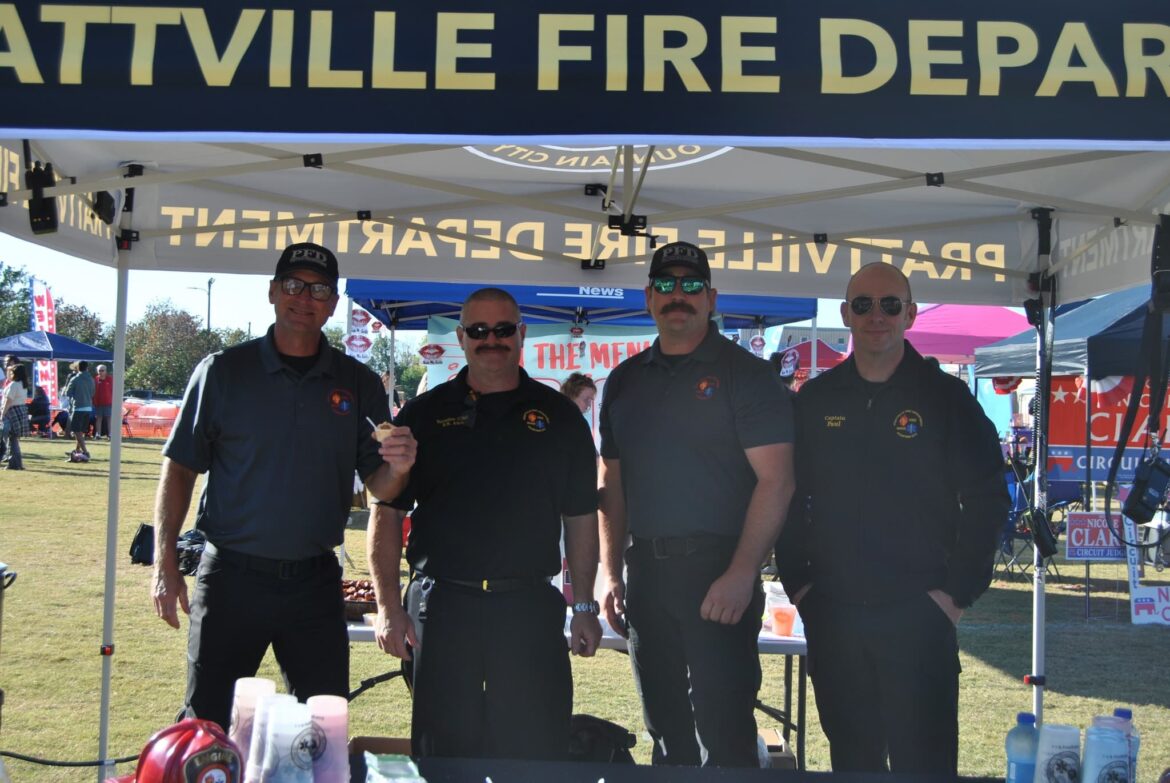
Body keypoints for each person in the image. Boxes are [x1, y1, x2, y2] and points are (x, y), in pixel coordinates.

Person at [150, 242, 417, 732]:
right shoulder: (223, 371)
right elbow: (180, 468)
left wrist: (399, 467)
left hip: (314, 583)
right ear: (273, 292)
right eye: (293, 285)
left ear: (333, 304)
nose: (304, 298)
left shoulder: (357, 382)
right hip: (231, 577)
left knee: (321, 729)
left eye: (319, 290)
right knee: (207, 726)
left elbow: (380, 483)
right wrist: (165, 562)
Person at [774, 263, 1009, 775]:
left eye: (889, 305)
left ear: (910, 314)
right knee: (853, 765)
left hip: (919, 614)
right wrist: (801, 585)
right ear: (845, 314)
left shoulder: (945, 398)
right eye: (863, 305)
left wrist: (955, 595)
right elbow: (788, 493)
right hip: (835, 614)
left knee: (924, 767)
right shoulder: (816, 400)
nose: (875, 315)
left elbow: (989, 497)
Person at [368, 287, 601, 760]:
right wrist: (389, 607)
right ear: (461, 337)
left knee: (535, 756)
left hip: (528, 608)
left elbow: (580, 518)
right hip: (443, 608)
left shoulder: (560, 416)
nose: (490, 339)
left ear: (522, 333)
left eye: (502, 329)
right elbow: (387, 510)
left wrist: (584, 606)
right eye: (478, 330)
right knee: (445, 758)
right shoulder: (425, 414)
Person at [598, 241, 795, 767]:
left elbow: (777, 481)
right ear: (648, 298)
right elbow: (612, 484)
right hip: (647, 576)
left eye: (690, 285)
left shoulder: (746, 375)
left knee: (724, 737)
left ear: (711, 298)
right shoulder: (624, 380)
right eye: (666, 285)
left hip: (719, 572)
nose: (677, 295)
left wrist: (742, 572)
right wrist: (611, 573)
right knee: (666, 736)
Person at [62, 361, 95, 458]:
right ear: (87, 368)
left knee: (76, 431)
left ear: (78, 368)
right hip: (88, 407)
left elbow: (68, 393)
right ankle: (77, 450)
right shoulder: (91, 379)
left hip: (78, 407)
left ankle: (85, 452)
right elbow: (93, 392)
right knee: (81, 431)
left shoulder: (75, 379)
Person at [1, 363, 30, 470]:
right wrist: (9, 369)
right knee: (13, 439)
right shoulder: (22, 384)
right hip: (19, 411)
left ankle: (14, 463)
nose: (10, 374)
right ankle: (16, 463)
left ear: (16, 373)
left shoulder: (14, 385)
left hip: (12, 412)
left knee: (11, 439)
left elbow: (8, 401)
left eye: (12, 372)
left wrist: (2, 414)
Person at [92, 364, 113, 439]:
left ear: (105, 371)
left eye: (102, 370)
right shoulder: (95, 379)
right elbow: (93, 391)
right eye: (99, 370)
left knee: (109, 418)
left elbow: (113, 390)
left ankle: (110, 434)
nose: (100, 372)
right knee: (98, 418)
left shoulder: (110, 379)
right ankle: (98, 434)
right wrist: (93, 401)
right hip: (98, 403)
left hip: (109, 403)